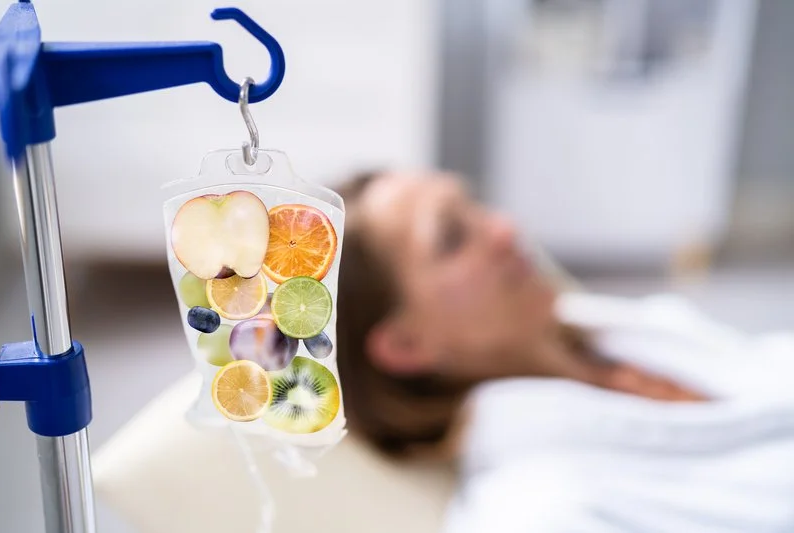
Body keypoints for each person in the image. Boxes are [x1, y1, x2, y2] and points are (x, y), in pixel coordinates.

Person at [333, 169, 794, 533]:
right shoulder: (538, 509)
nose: (503, 228)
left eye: (472, 205)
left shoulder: (603, 324)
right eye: (452, 237)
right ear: (406, 346)